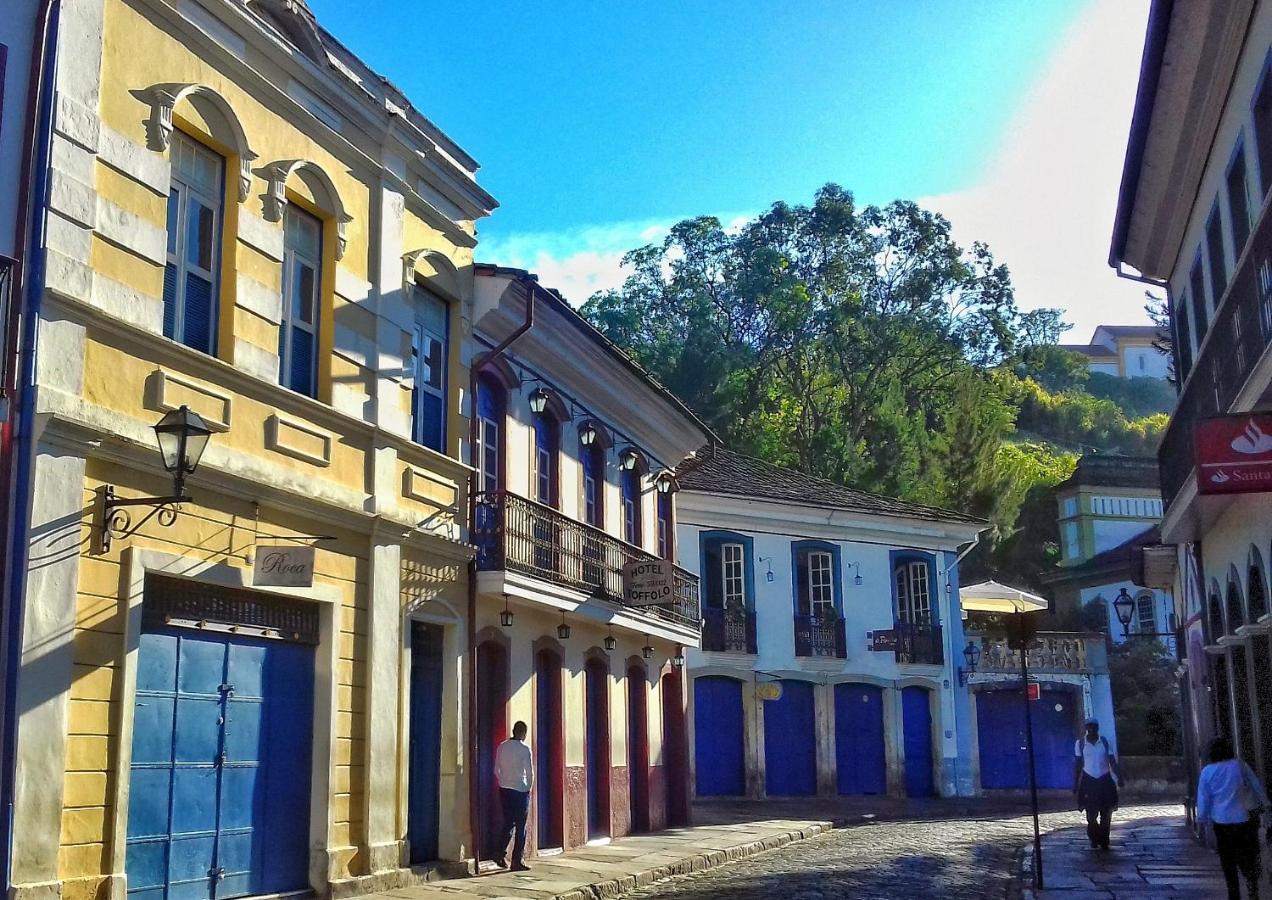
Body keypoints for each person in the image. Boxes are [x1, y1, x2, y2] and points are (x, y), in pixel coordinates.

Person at [1196, 736, 1268, 900]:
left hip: (1221, 822)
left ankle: (1233, 893)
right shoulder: (1240, 766)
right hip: (1244, 819)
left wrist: (1201, 819)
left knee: (1227, 860)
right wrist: (1266, 803)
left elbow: (1204, 798)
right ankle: (1252, 884)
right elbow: (1255, 785)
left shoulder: (1207, 771)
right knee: (1247, 856)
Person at [1073, 717, 1120, 850]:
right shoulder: (1080, 744)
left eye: (1094, 726)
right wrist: (1075, 783)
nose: (1092, 729)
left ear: (1097, 728)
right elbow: (1078, 764)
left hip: (1104, 780)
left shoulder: (1105, 742)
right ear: (1086, 728)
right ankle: (1094, 837)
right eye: (1089, 727)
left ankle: (1104, 840)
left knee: (1106, 813)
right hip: (1089, 781)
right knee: (1091, 815)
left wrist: (1119, 776)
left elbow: (1112, 761)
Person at [493, 720, 534, 871]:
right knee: (521, 826)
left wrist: (503, 781)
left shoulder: (502, 746)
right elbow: (530, 773)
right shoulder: (525, 749)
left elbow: (496, 769)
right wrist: (528, 788)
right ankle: (517, 860)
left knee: (508, 822)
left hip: (504, 789)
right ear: (523, 733)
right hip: (520, 791)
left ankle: (499, 853)